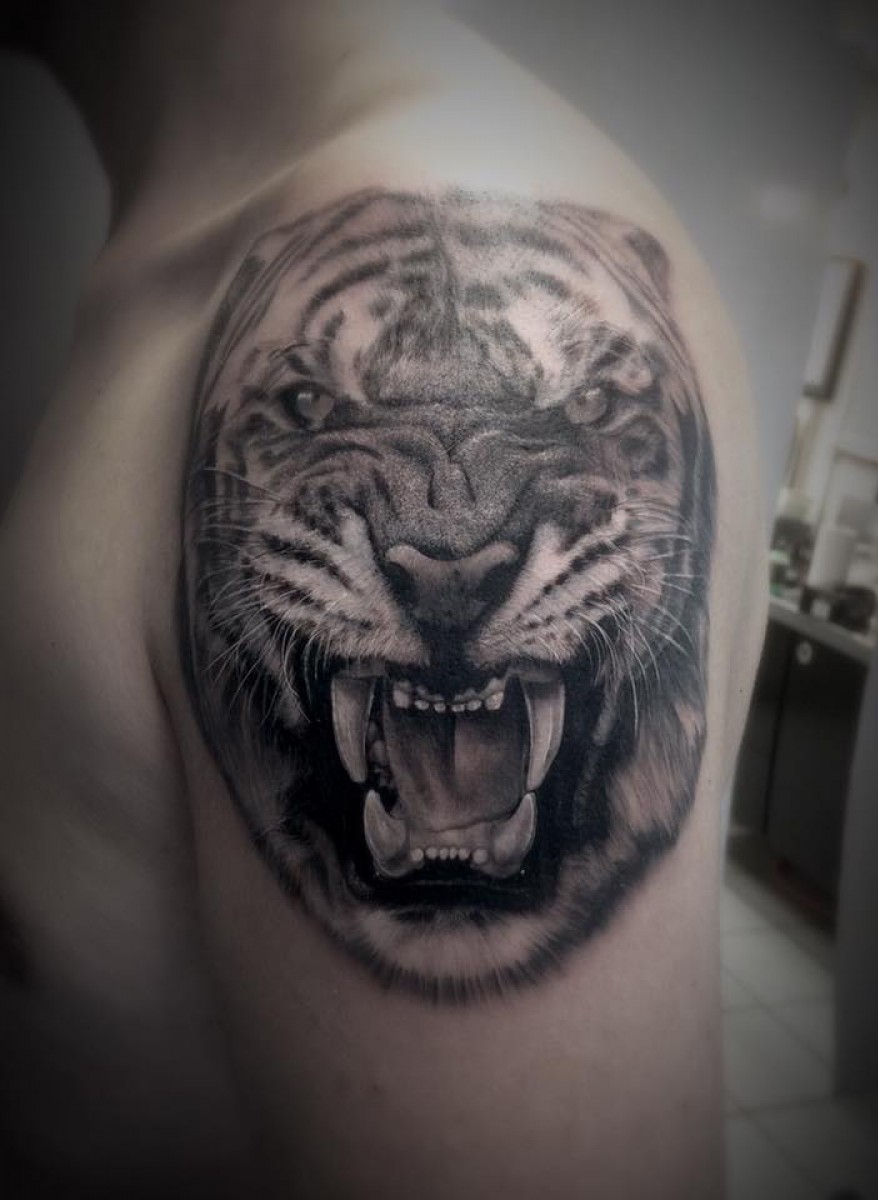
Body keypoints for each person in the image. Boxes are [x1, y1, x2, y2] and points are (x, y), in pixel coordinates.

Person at [0, 3, 767, 1196]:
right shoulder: (202, 228)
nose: (450, 541)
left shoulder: (426, 196)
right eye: (307, 409)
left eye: (583, 410)